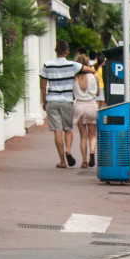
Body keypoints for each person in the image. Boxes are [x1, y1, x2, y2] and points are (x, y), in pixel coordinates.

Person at [39, 40, 80, 168]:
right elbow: (88, 69)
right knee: (68, 129)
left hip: (52, 99)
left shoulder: (47, 65)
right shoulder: (73, 65)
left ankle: (62, 160)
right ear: (67, 51)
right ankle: (68, 149)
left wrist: (44, 100)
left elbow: (43, 85)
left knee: (57, 131)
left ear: (56, 50)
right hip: (67, 100)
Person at [71, 54, 103, 168]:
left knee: (83, 136)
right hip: (91, 105)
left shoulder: (74, 77)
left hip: (79, 106)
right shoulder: (94, 77)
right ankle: (92, 151)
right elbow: (98, 93)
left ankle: (84, 161)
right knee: (92, 135)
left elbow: (72, 95)